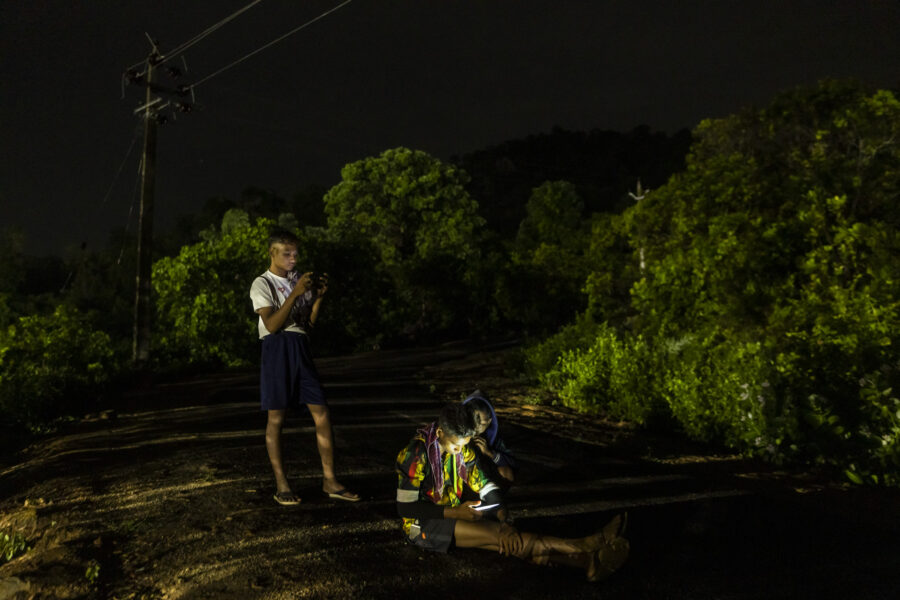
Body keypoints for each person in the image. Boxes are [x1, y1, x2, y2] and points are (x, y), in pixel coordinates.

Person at [395, 404, 629, 581]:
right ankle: (583, 545)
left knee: (505, 541)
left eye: (464, 446)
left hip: (450, 511)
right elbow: (404, 508)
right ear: (440, 435)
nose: (460, 452)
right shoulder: (416, 453)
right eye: (455, 446)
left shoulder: (462, 450)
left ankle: (587, 562)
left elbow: (486, 485)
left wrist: (503, 519)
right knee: (498, 536)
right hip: (419, 525)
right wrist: (455, 512)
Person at [249, 230, 359, 505]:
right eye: (286, 254)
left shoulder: (298, 282)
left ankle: (329, 480)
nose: (293, 258)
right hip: (276, 350)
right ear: (272, 254)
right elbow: (272, 325)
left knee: (321, 411)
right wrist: (296, 293)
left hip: (300, 346)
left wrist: (318, 298)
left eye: (295, 253)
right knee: (277, 418)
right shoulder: (261, 283)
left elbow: (307, 325)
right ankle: (282, 484)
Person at [463, 390, 516, 487]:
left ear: (489, 421)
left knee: (507, 472)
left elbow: (511, 463)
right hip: (464, 477)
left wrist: (489, 453)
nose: (477, 427)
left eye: (482, 423)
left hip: (485, 477)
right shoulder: (459, 434)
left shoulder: (494, 437)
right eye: (474, 421)